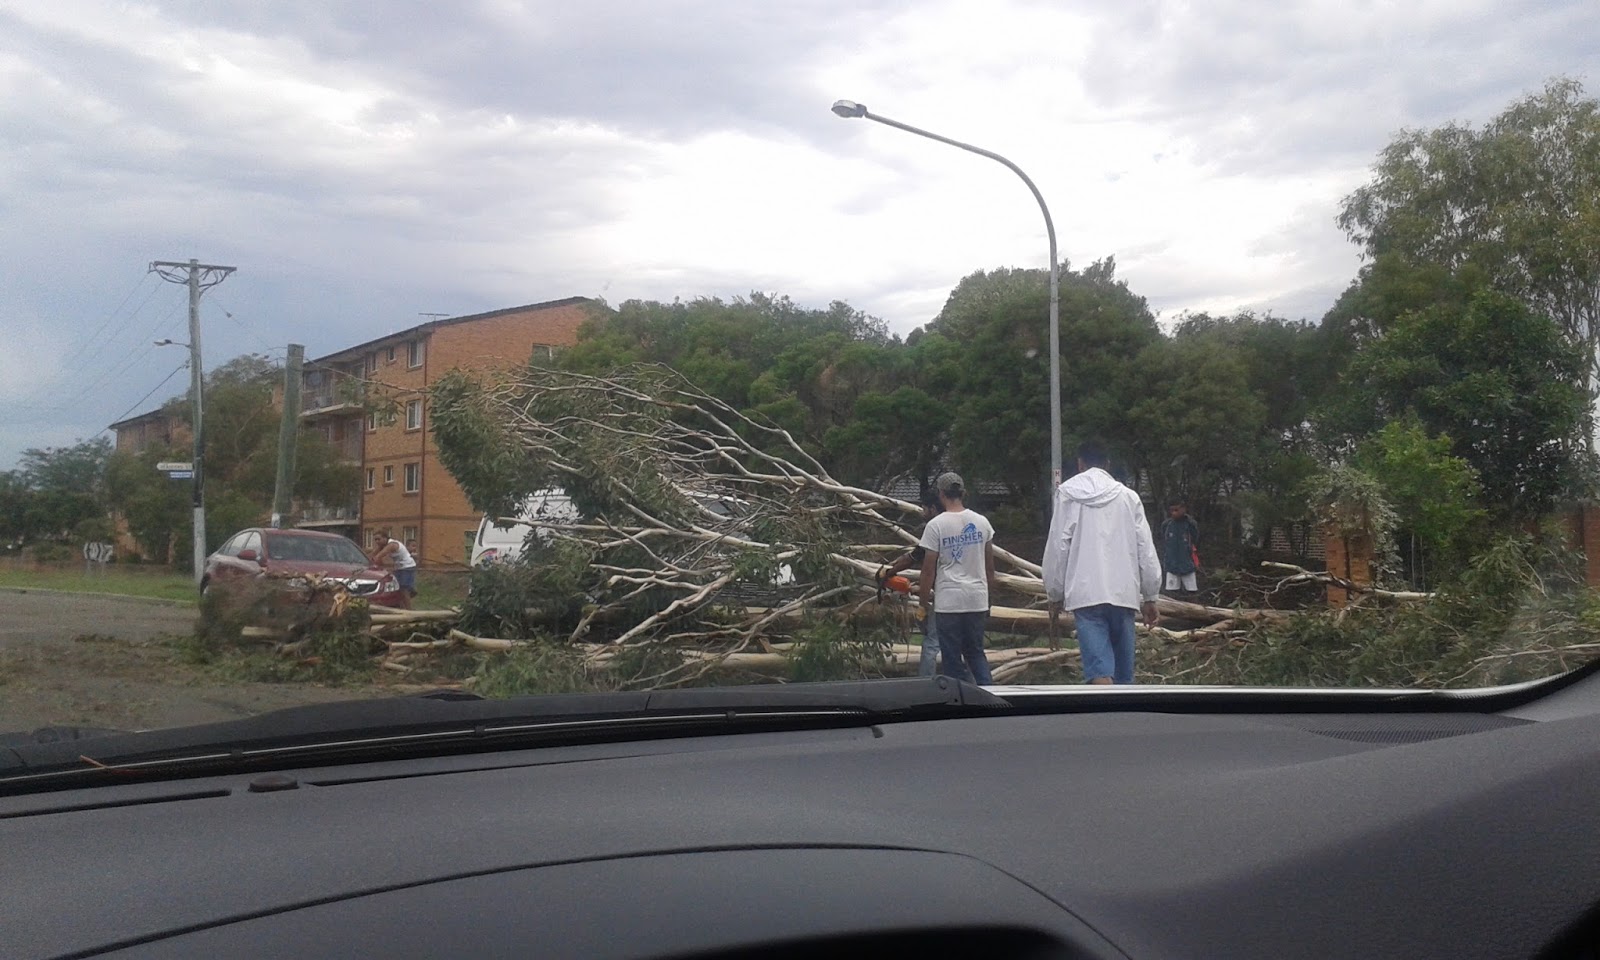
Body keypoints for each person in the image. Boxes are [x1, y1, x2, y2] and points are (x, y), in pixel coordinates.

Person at [1042, 441, 1162, 685]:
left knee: (1099, 669)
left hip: (1086, 594)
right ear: (1107, 464)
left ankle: (1104, 715)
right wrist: (1150, 595)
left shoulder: (1067, 495)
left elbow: (1058, 547)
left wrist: (1055, 593)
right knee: (1123, 673)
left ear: (1080, 464)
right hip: (1123, 593)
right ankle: (1122, 718)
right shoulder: (1129, 497)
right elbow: (1145, 549)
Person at [918, 472, 996, 684]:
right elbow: (990, 568)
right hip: (976, 599)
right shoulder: (982, 523)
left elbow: (928, 571)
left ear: (941, 495)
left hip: (949, 603)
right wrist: (988, 600)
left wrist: (922, 605)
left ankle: (961, 703)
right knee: (976, 653)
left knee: (951, 658)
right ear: (963, 493)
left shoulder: (936, 526)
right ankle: (990, 696)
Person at [879, 496, 942, 677]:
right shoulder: (962, 523)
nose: (922, 513)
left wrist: (889, 573)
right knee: (966, 645)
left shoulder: (936, 526)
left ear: (932, 508)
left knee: (931, 642)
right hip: (972, 596)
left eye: (924, 509)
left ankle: (925, 684)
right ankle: (976, 685)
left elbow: (917, 558)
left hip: (947, 595)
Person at [1159, 498, 1201, 598]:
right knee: (1171, 595)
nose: (1174, 513)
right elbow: (1163, 541)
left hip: (1187, 564)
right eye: (1171, 510)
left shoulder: (1190, 524)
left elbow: (1196, 540)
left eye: (1176, 510)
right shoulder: (1166, 525)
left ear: (1183, 509)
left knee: (1192, 593)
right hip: (1171, 564)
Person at [369, 530, 418, 608]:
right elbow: (372, 555)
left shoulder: (392, 545)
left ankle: (409, 609)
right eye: (375, 540)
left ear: (385, 538)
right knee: (396, 587)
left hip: (407, 566)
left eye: (379, 539)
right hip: (399, 567)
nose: (377, 541)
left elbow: (378, 556)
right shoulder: (383, 546)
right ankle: (402, 605)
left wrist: (374, 562)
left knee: (403, 589)